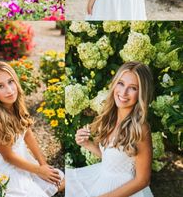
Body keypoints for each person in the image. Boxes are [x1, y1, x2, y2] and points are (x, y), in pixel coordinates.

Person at [66, 61, 154, 197]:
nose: (123, 92)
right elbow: (114, 161)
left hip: (123, 191)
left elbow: (143, 180)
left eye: (133, 88)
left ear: (141, 93)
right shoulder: (110, 118)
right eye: (121, 83)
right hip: (102, 179)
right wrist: (87, 144)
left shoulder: (140, 128)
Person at [0, 61, 64, 197]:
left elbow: (28, 134)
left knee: (60, 180)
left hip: (22, 158)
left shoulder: (16, 105)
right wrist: (39, 171)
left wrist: (43, 165)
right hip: (4, 167)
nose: (9, 90)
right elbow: (8, 157)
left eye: (10, 82)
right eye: (0, 86)